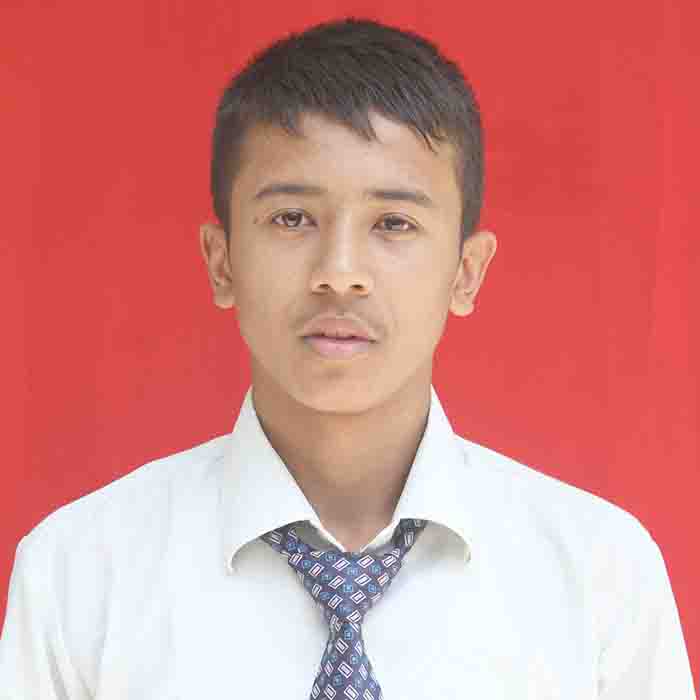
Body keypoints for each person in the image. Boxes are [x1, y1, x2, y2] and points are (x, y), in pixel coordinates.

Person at [0, 16, 695, 700]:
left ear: (466, 273)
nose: (339, 273)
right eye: (292, 218)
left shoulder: (599, 576)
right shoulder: (79, 575)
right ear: (221, 262)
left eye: (394, 223)